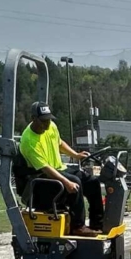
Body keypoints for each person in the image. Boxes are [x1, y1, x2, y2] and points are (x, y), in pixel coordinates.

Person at [19, 101, 102, 237]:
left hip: (59, 168)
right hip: (41, 178)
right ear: (34, 119)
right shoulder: (28, 141)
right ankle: (78, 226)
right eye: (43, 121)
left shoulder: (51, 126)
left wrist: (75, 155)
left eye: (48, 120)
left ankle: (98, 224)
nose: (47, 124)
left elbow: (59, 142)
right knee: (75, 182)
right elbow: (45, 168)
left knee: (92, 182)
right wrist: (66, 182)